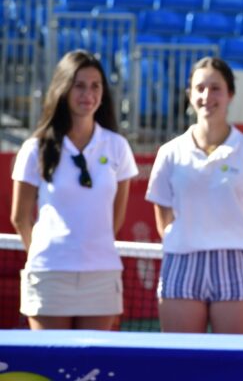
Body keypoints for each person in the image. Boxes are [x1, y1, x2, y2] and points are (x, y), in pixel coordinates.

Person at [145, 57, 243, 334]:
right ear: (190, 95)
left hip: (238, 266)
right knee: (181, 365)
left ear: (230, 94)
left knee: (235, 368)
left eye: (216, 88)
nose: (207, 96)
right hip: (181, 264)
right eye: (200, 88)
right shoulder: (169, 153)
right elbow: (164, 223)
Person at [10, 50, 138, 331]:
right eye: (79, 85)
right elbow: (20, 217)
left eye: (95, 86)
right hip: (49, 274)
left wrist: (91, 249)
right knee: (50, 367)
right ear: (63, 89)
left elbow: (115, 217)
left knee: (94, 368)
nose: (87, 94)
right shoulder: (35, 148)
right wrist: (46, 257)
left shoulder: (117, 146)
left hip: (101, 274)